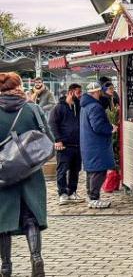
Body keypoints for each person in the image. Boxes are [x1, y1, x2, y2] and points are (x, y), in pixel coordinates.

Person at [0, 72, 50, 277]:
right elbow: (49, 139)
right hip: (31, 173)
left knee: (3, 222)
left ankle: (5, 266)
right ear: (19, 86)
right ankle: (36, 257)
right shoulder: (33, 109)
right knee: (31, 218)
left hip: (2, 174)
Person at [79, 82, 116, 209]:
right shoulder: (95, 107)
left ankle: (92, 196)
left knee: (91, 171)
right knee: (98, 171)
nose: (101, 93)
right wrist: (111, 128)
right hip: (97, 144)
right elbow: (98, 126)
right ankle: (94, 198)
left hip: (89, 143)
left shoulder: (85, 106)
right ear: (95, 92)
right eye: (99, 91)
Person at [48, 84, 84, 205]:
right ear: (70, 92)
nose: (80, 95)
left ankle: (72, 192)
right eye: (78, 92)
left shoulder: (78, 107)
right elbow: (52, 124)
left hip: (77, 144)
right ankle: (62, 193)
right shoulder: (58, 108)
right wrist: (57, 140)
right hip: (64, 145)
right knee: (62, 170)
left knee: (75, 170)